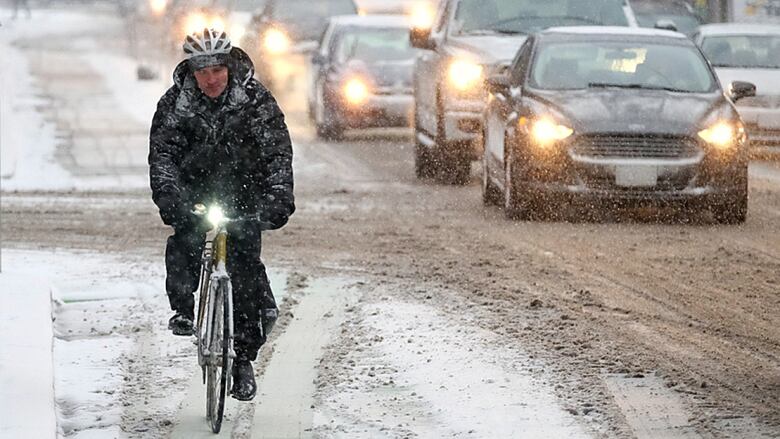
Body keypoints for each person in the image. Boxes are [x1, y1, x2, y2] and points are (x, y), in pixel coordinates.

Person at [148, 28, 295, 401]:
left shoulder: (256, 101)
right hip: (195, 193)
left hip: (244, 195)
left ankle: (243, 359)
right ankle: (183, 309)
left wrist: (277, 198)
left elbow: (276, 152)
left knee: (245, 272)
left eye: (217, 69)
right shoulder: (175, 105)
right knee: (184, 242)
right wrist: (170, 197)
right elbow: (163, 155)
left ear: (229, 66)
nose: (210, 78)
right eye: (202, 71)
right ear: (191, 71)